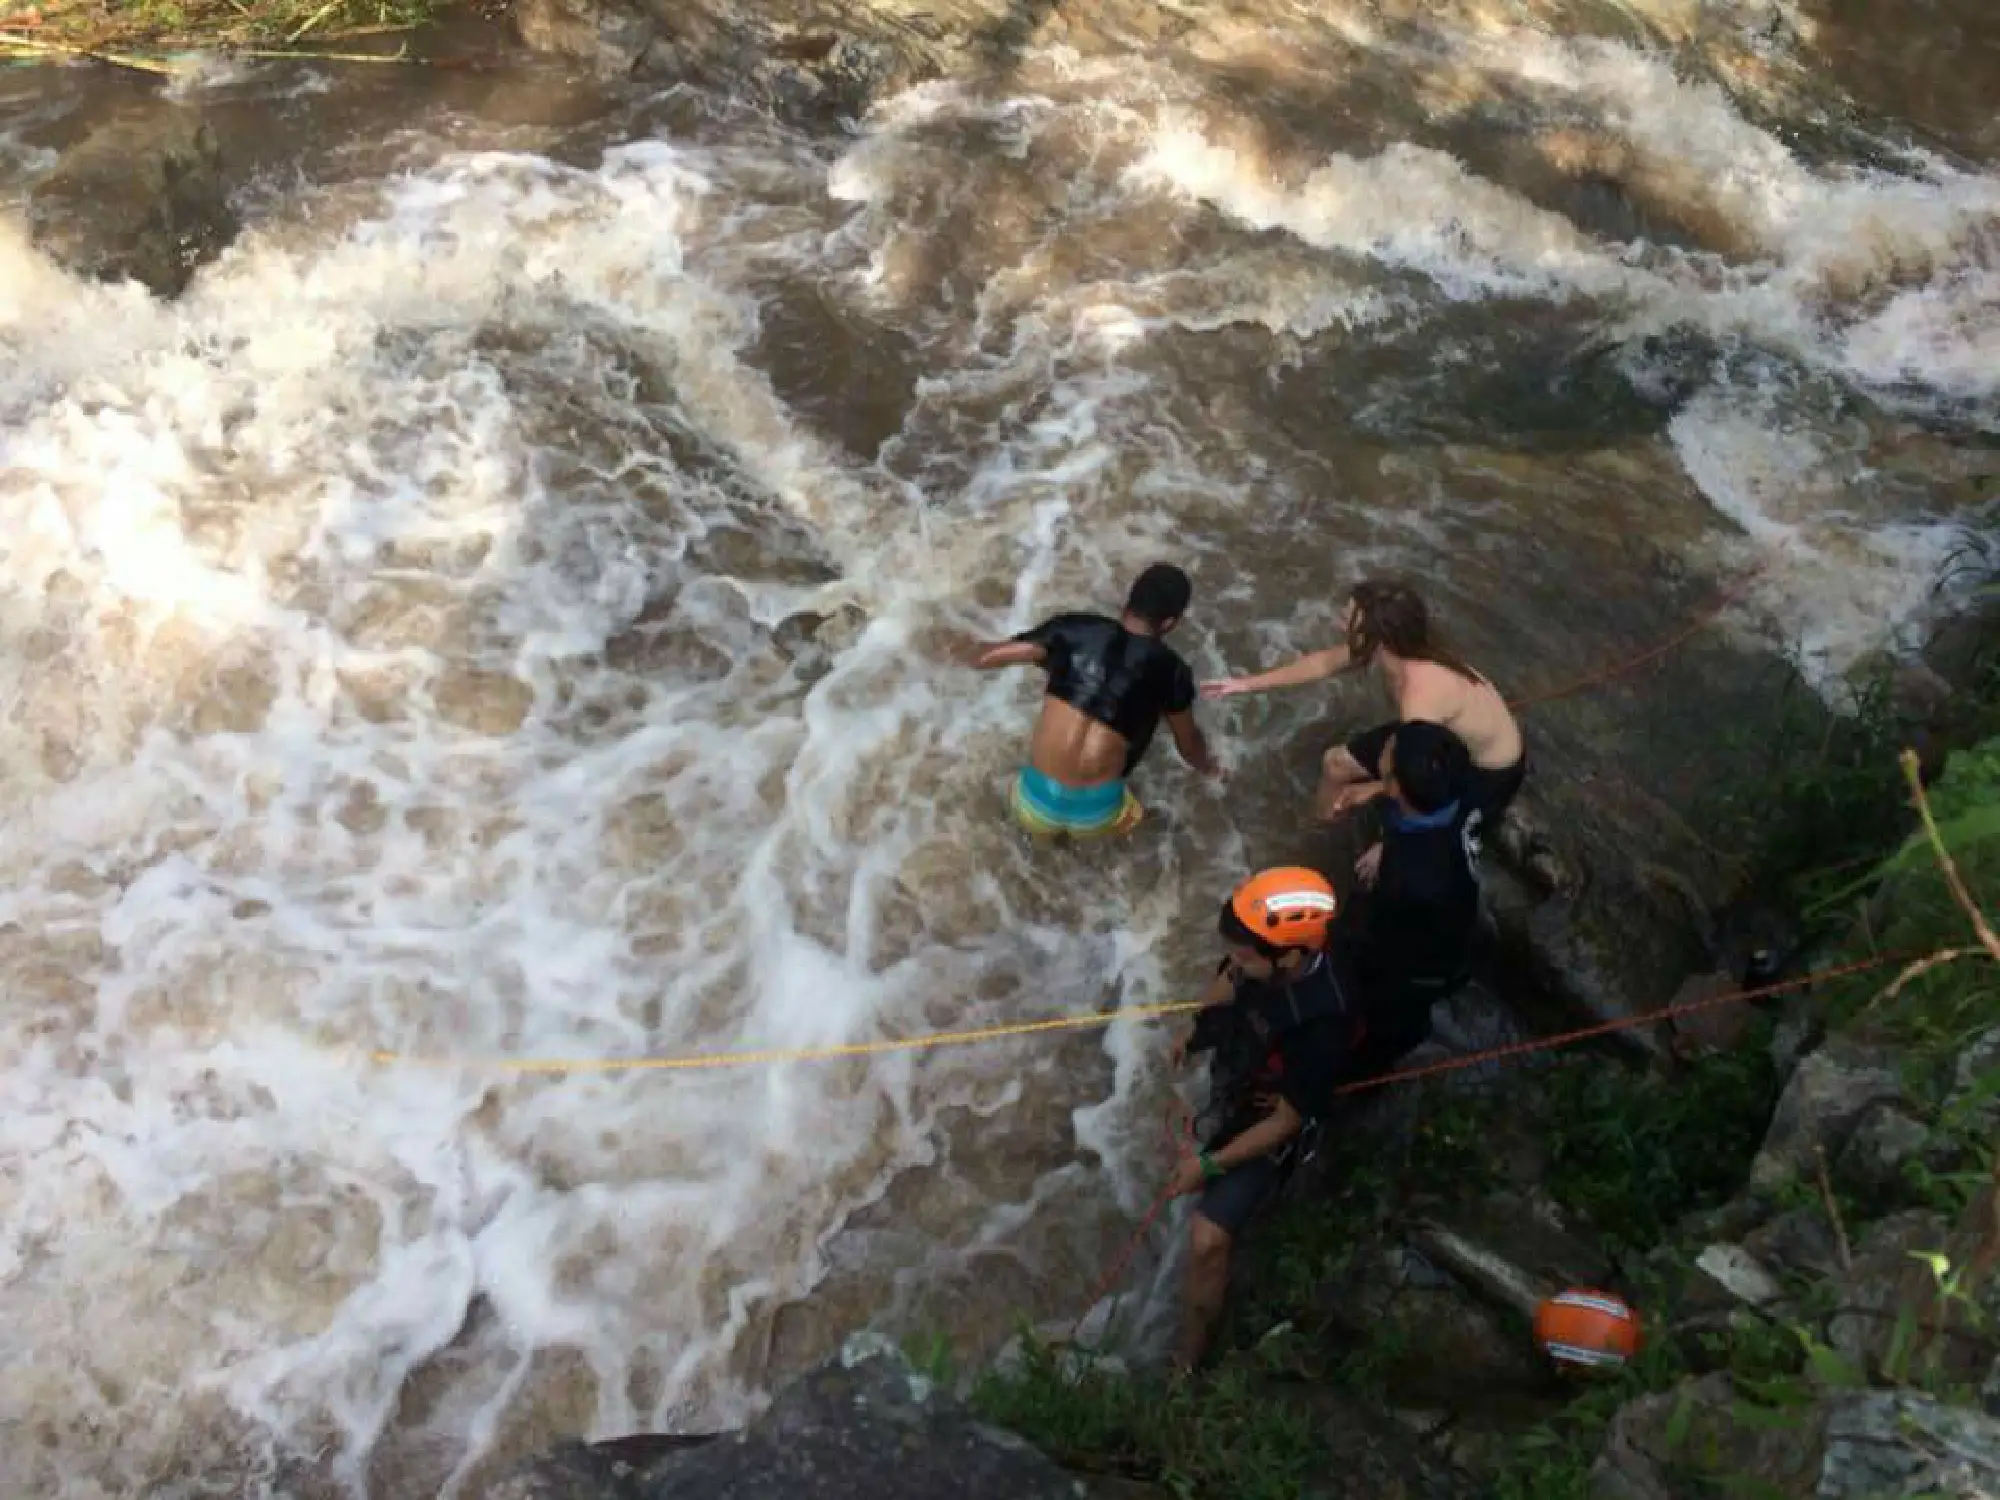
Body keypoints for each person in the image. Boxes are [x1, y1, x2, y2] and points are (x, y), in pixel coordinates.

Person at [1168, 867, 1359, 1373]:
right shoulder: (1263, 961)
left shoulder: (1324, 1026)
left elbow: (1286, 1122)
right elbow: (1229, 979)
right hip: (1244, 1075)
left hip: (1273, 1115)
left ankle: (1187, 1362)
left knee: (1207, 1241)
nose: (1234, 961)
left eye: (1244, 955)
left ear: (1290, 957)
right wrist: (1193, 1031)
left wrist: (1208, 1167)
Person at [1200, 577, 1526, 826]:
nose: (1339, 623)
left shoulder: (1418, 693)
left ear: (1375, 637)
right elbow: (1323, 664)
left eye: (1348, 619)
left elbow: (1419, 779)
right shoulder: (1400, 646)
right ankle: (1320, 826)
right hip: (1442, 739)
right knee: (1336, 763)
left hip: (1486, 774)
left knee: (1398, 830)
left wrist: (1373, 793)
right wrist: (1245, 684)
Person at [958, 563, 1222, 839]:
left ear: (1127, 603)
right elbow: (1189, 745)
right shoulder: (1173, 671)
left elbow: (985, 657)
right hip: (1097, 817)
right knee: (1142, 818)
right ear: (1170, 623)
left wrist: (945, 648)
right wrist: (1213, 770)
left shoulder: (1074, 630)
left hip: (1033, 805)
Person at [1338, 719, 1485, 1081]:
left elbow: (1382, 941)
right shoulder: (1459, 788)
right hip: (1452, 916)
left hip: (1419, 967)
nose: (1383, 745)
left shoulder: (1409, 878)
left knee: (1386, 1025)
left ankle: (1359, 1079)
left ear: (1396, 787)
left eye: (1387, 753)